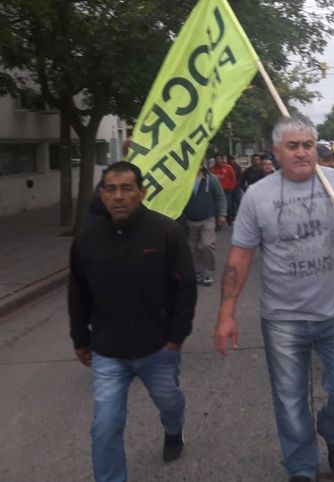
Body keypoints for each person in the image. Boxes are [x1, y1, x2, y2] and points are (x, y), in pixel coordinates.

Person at [214, 115, 334, 482]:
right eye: (293, 146)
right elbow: (240, 257)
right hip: (283, 318)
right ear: (276, 153)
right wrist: (227, 313)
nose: (302, 152)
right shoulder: (258, 196)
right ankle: (301, 467)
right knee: (289, 403)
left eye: (308, 145)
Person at [68, 161, 197, 481]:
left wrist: (175, 340)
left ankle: (173, 428)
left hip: (157, 349)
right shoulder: (87, 238)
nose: (119, 196)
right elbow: (78, 291)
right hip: (108, 352)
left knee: (169, 403)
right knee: (105, 426)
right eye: (111, 189)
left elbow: (186, 287)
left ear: (142, 192)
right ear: (102, 194)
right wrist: (80, 339)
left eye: (127, 188)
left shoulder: (166, 232)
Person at [182, 164, 227, 286]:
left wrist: (222, 214)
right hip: (190, 220)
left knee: (207, 245)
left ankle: (207, 272)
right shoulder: (183, 179)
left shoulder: (211, 179)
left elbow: (220, 197)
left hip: (207, 219)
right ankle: (196, 271)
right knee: (192, 248)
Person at [210, 153, 237, 225]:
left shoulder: (228, 167)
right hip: (216, 191)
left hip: (226, 190)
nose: (217, 160)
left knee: (228, 205)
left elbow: (233, 178)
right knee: (216, 207)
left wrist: (231, 187)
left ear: (222, 159)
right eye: (216, 159)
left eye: (219, 158)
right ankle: (218, 222)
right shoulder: (212, 169)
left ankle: (229, 218)